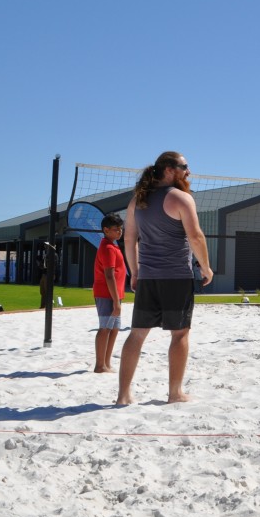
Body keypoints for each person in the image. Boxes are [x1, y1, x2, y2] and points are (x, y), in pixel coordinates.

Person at [116, 151, 213, 406]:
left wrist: (135, 272)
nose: (189, 171)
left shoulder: (139, 200)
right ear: (169, 169)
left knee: (136, 335)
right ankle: (175, 393)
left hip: (148, 277)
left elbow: (129, 239)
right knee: (179, 335)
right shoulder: (181, 198)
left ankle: (123, 395)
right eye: (185, 166)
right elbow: (196, 237)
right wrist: (206, 267)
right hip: (176, 277)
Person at [93, 213, 127, 373]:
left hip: (115, 294)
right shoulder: (107, 247)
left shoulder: (113, 245)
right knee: (105, 328)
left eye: (121, 229)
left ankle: (106, 363)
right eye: (116, 229)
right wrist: (116, 301)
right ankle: (100, 365)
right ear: (106, 230)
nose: (120, 232)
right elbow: (109, 275)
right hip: (107, 295)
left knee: (114, 329)